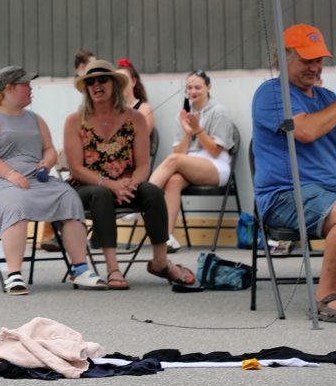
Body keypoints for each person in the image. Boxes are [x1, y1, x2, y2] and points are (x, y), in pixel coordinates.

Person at [63, 60, 196, 289]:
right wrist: (111, 185)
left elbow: (143, 165)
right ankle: (113, 269)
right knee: (101, 195)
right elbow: (76, 168)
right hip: (87, 185)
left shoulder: (135, 119)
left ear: (114, 84)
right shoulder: (75, 121)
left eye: (103, 80)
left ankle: (160, 261)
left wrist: (130, 185)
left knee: (153, 192)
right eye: (91, 82)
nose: (96, 85)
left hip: (127, 184)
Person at [0, 65, 106, 294]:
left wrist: (47, 161)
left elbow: (49, 149)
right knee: (15, 202)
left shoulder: (35, 118)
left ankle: (81, 268)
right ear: (9, 88)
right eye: (26, 84)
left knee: (68, 196)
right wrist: (10, 174)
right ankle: (14, 274)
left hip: (35, 179)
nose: (31, 88)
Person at [252, 24, 336, 323]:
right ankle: (326, 295)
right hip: (284, 195)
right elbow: (305, 131)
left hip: (332, 190)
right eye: (308, 59)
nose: (316, 66)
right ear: (286, 57)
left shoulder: (328, 97)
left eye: (319, 59)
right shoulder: (270, 93)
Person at [149, 70, 235, 252]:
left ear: (208, 87)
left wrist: (197, 129)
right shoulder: (183, 114)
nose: (193, 91)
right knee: (172, 181)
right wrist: (188, 132)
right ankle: (167, 237)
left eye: (197, 87)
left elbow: (214, 151)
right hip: (191, 164)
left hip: (216, 166)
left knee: (173, 160)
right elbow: (180, 152)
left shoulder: (219, 111)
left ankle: (142, 197)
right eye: (189, 88)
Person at [42, 48, 98, 252]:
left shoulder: (90, 100)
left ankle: (56, 236)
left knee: (64, 188)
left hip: (96, 166)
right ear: (82, 68)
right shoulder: (83, 100)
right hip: (83, 161)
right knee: (61, 187)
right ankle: (55, 236)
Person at [116, 58, 154, 135]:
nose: (120, 84)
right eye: (117, 81)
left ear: (133, 81)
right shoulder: (111, 108)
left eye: (124, 80)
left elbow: (141, 136)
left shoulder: (144, 108)